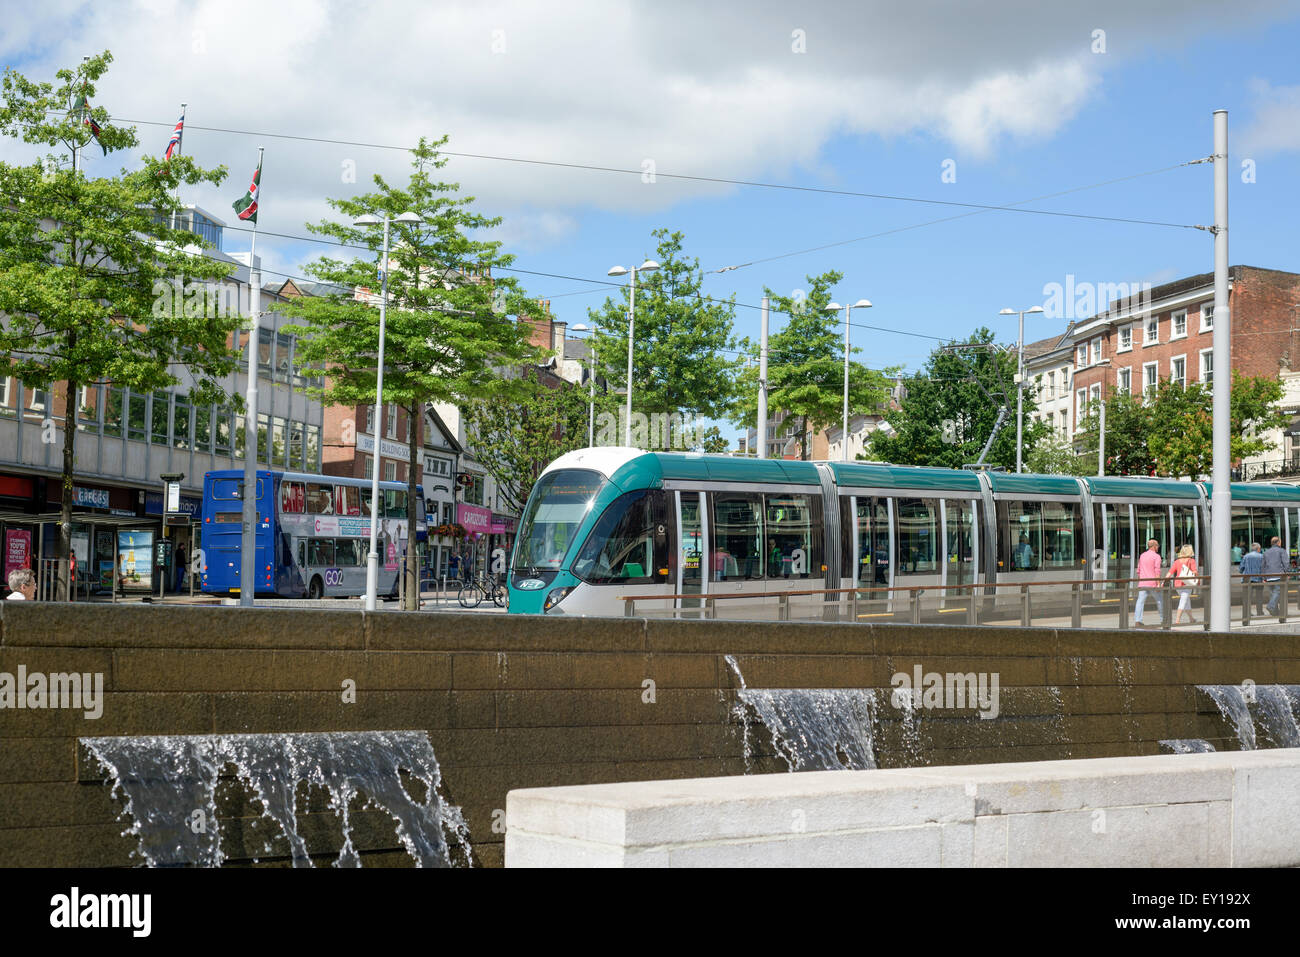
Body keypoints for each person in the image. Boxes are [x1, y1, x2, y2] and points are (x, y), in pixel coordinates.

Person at [1166, 544, 1198, 625]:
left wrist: (1164, 581)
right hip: (1187, 583)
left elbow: (1170, 572)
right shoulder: (1191, 561)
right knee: (1183, 601)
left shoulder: (1177, 561)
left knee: (1187, 601)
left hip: (1177, 584)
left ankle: (1191, 618)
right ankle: (1177, 620)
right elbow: (1194, 572)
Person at [1134, 538, 1163, 627]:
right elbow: (1157, 571)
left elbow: (1138, 571)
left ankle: (1138, 620)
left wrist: (1140, 581)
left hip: (1143, 583)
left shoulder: (1142, 555)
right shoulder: (1156, 556)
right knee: (1160, 601)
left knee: (1140, 601)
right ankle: (1163, 619)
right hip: (1153, 583)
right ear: (1154, 546)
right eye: (1157, 545)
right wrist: (1158, 584)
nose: (1158, 547)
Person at [1262, 535, 1289, 616]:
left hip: (1269, 576)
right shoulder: (1282, 551)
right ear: (1278, 543)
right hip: (1279, 575)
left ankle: (1275, 612)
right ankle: (1270, 606)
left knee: (1272, 594)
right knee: (1277, 592)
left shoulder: (1266, 552)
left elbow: (1263, 565)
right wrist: (1287, 572)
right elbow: (1286, 563)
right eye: (1280, 542)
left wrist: (1263, 577)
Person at [1239, 542, 1265, 616]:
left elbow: (1241, 569)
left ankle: (1247, 612)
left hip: (1247, 579)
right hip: (1259, 579)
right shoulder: (1261, 556)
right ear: (1258, 549)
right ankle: (1259, 612)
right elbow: (1264, 568)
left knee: (1247, 597)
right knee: (1259, 597)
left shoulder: (1246, 556)